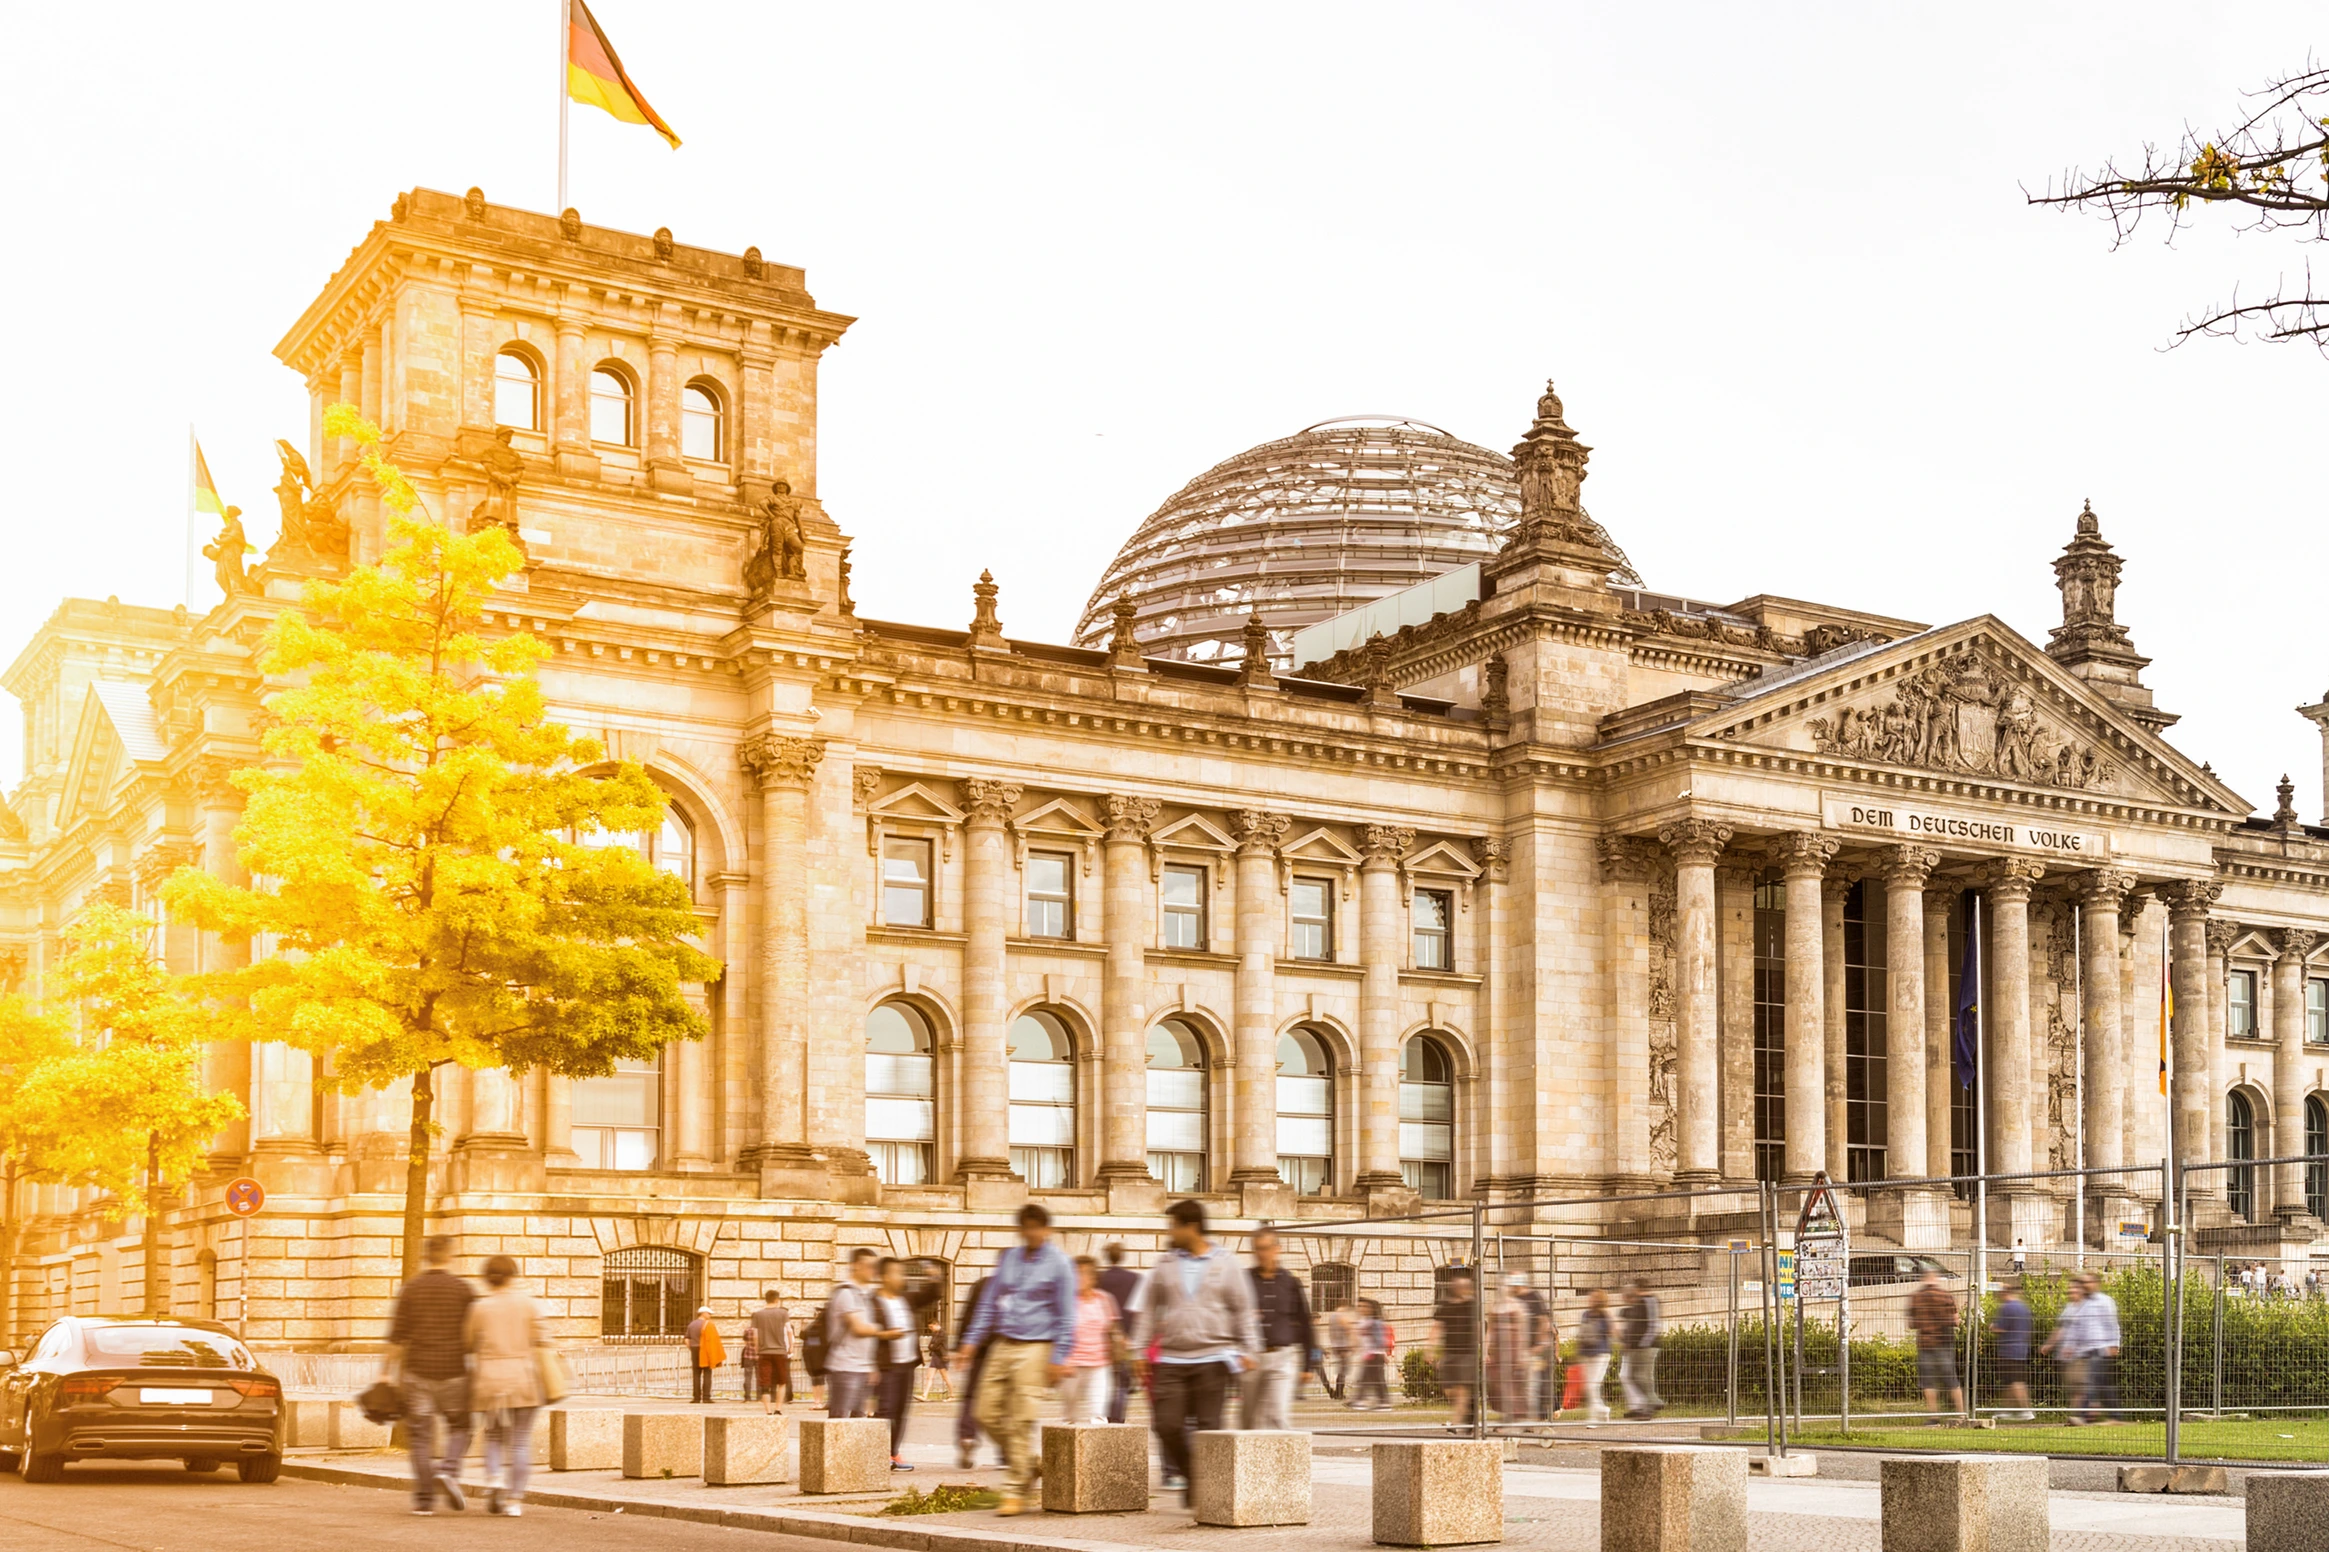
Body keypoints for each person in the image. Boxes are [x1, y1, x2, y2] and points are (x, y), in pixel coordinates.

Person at [1132, 1198, 1259, 1507]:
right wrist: (1137, 1350)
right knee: (1166, 1424)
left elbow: (1243, 1309)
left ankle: (1210, 1494)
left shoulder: (1225, 1262)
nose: (1169, 1232)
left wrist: (1250, 1347)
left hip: (1214, 1358)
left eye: (1173, 1225)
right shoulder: (1165, 1264)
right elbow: (1149, 1309)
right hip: (1171, 1358)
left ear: (1191, 1226)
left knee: (1209, 1428)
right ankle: (1192, 1474)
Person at [957, 1204, 1079, 1516]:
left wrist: (1058, 1356)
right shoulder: (1010, 1258)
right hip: (1002, 1342)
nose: (1032, 1233)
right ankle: (1028, 1463)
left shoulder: (1060, 1265)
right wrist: (970, 1342)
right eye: (1026, 1227)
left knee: (1021, 1418)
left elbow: (1067, 1316)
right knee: (983, 1411)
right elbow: (988, 1303)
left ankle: (1015, 1491)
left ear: (1047, 1230)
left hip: (1036, 1345)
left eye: (1037, 1227)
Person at [386, 1234, 476, 1515]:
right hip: (454, 1371)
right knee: (461, 1427)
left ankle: (424, 1502)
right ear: (449, 1256)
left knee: (421, 1438)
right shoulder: (464, 1290)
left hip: (418, 1372)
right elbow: (473, 1334)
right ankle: (448, 1470)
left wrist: (385, 1375)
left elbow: (397, 1337)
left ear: (427, 1256)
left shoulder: (411, 1289)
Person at [465, 1254, 553, 1517]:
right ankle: (514, 1500)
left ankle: (494, 1479)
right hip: (523, 1379)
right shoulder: (528, 1305)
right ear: (513, 1275)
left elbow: (468, 1342)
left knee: (492, 1435)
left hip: (490, 1380)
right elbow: (544, 1339)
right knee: (519, 1442)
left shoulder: (479, 1307)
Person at [1243, 1228, 1316, 1431]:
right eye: (1257, 1249)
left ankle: (1284, 1461)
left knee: (1277, 1415)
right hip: (1252, 1358)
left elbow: (1305, 1323)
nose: (1261, 1253)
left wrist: (1308, 1364)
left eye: (1266, 1248)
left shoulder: (1290, 1282)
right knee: (1248, 1420)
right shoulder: (1244, 1280)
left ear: (1277, 1249)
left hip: (1282, 1357)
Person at [828, 1247, 905, 1420]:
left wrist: (872, 1365)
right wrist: (883, 1331)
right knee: (839, 1422)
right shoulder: (845, 1293)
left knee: (860, 1424)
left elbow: (867, 1334)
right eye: (869, 1266)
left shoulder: (866, 1295)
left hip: (862, 1368)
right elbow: (859, 1328)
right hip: (845, 1367)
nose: (874, 1271)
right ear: (855, 1266)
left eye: (875, 1266)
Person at [1060, 1255, 1123, 1424]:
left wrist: (1121, 1343)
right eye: (1076, 1273)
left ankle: (1097, 1450)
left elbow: (1113, 1328)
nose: (1081, 1277)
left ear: (1094, 1277)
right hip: (1072, 1366)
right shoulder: (1066, 1301)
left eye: (1086, 1273)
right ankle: (1067, 1449)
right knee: (1070, 1416)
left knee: (1098, 1414)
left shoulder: (1104, 1299)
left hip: (1100, 1365)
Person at [873, 1257, 922, 1471]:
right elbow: (868, 1334)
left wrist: (934, 1277)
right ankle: (878, 1454)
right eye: (896, 1273)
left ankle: (893, 1453)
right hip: (887, 1364)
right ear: (884, 1277)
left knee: (901, 1410)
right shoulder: (873, 1302)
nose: (900, 1277)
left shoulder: (905, 1298)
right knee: (886, 1411)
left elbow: (931, 1295)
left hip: (907, 1363)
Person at [1907, 1267, 1962, 1417]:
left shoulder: (1916, 1297)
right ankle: (1961, 1414)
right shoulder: (1946, 1296)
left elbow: (1912, 1324)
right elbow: (1956, 1321)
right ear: (1936, 1279)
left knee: (1928, 1382)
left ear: (1923, 1279)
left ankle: (1934, 1416)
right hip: (1944, 1341)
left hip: (1925, 1343)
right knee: (1951, 1380)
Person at [1097, 1243, 1142, 1424]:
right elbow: (1138, 1310)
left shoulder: (1100, 1278)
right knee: (1122, 1383)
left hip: (1104, 1336)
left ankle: (1107, 1418)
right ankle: (1117, 1420)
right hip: (1127, 1337)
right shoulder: (1135, 1279)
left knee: (1105, 1381)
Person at [953, 1272, 993, 1469]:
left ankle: (967, 1436)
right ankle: (1007, 1454)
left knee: (971, 1396)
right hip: (1004, 1351)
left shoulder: (982, 1284)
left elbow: (968, 1314)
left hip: (978, 1350)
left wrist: (962, 1345)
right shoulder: (1016, 1285)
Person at [1431, 1269, 1479, 1429]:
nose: (1461, 1288)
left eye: (1464, 1286)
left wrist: (1482, 1347)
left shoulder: (1472, 1305)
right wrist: (1430, 1349)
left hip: (1467, 1353)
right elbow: (1437, 1327)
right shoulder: (1445, 1305)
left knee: (1461, 1388)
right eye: (1458, 1285)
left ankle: (1456, 1422)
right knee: (1449, 1389)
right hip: (1449, 1352)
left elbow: (1478, 1326)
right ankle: (1467, 1415)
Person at [2073, 1272, 2122, 1424]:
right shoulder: (2083, 1303)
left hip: (2101, 1348)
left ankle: (2085, 1415)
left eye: (2087, 1282)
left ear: (2095, 1283)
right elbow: (2081, 1327)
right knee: (2103, 1384)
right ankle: (2116, 1417)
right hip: (2087, 1350)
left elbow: (2112, 1323)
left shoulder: (2105, 1301)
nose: (2084, 1285)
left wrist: (2115, 1344)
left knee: (2091, 1380)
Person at [2040, 1275, 2089, 1420]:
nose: (2070, 1291)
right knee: (2074, 1388)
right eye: (2069, 1288)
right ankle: (2079, 1416)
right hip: (2067, 1357)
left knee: (2079, 1388)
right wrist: (2049, 1344)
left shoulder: (2087, 1308)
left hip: (2082, 1355)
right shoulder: (2069, 1307)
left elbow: (2090, 1331)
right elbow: (2060, 1329)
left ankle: (2078, 1417)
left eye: (2074, 1288)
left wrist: (2076, 1347)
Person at [1618, 1277, 1663, 1420]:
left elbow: (1653, 1324)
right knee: (1633, 1376)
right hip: (1637, 1347)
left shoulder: (1650, 1300)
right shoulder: (1639, 1302)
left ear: (1638, 1288)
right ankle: (1649, 1404)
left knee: (1642, 1376)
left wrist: (1644, 1342)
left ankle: (1651, 1405)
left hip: (1647, 1346)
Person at [1992, 1280, 2035, 1422]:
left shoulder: (2006, 1308)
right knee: (2009, 1381)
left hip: (2009, 1349)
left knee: (2016, 1381)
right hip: (2021, 1348)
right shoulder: (2023, 1307)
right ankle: (2006, 1410)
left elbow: (2001, 1328)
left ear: (2004, 1293)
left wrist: (1992, 1327)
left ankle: (2026, 1410)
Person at [1570, 1287, 1612, 1424]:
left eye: (1593, 1298)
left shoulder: (1605, 1315)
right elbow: (1582, 1333)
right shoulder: (1586, 1314)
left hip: (1601, 1354)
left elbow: (1611, 1332)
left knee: (1592, 1386)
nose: (1589, 1300)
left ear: (1598, 1300)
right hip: (1586, 1354)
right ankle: (1603, 1410)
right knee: (1588, 1386)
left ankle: (1593, 1419)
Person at [747, 1289, 791, 1415]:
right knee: (782, 1382)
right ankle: (778, 1408)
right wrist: (791, 1346)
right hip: (780, 1351)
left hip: (764, 1351)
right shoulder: (783, 1313)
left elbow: (755, 1333)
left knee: (765, 1382)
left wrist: (757, 1348)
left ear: (766, 1299)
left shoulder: (758, 1314)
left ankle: (768, 1411)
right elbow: (789, 1330)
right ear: (777, 1299)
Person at [1347, 1298, 1392, 1410]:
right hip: (1367, 1354)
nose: (1361, 1309)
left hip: (1374, 1354)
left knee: (1375, 1379)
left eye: (1364, 1306)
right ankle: (1361, 1400)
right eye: (1360, 1306)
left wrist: (1382, 1353)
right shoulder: (1363, 1321)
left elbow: (1381, 1339)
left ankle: (1382, 1402)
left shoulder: (1375, 1322)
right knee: (1366, 1379)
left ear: (1372, 1309)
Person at [685, 1305, 725, 1403]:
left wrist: (692, 1348)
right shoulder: (709, 1325)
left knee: (696, 1373)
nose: (710, 1315)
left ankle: (696, 1397)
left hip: (694, 1349)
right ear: (703, 1313)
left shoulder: (691, 1324)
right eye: (709, 1313)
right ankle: (706, 1397)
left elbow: (686, 1339)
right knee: (707, 1373)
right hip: (706, 1350)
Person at [1323, 1297, 1358, 1403]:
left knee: (1341, 1370)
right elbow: (1348, 1328)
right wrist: (1353, 1342)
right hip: (1344, 1346)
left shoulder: (1332, 1316)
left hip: (1336, 1346)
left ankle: (1339, 1393)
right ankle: (1339, 1393)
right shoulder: (1340, 1316)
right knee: (1343, 1371)